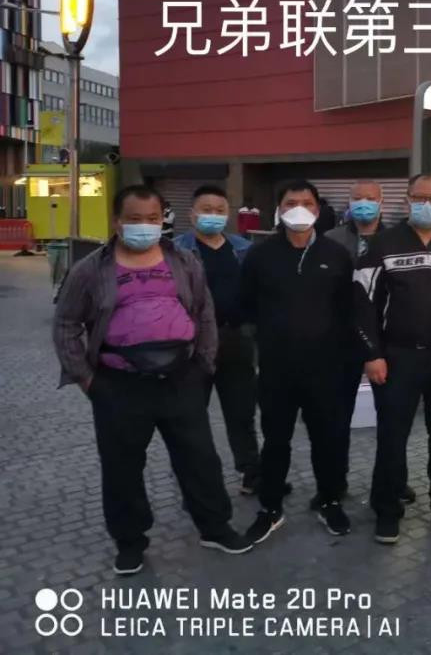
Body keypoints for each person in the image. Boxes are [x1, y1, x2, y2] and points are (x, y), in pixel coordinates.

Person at [52, 185, 251, 576]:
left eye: (152, 218)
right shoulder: (90, 269)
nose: (144, 226)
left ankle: (214, 526)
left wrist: (203, 363)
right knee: (122, 467)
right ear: (116, 221)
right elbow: (66, 324)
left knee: (200, 458)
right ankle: (130, 542)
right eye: (134, 219)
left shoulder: (185, 261)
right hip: (119, 384)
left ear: (163, 220)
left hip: (181, 379)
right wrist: (88, 380)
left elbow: (204, 312)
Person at [356, 174, 431, 545]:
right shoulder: (382, 244)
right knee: (392, 436)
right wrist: (372, 354)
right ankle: (387, 508)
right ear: (407, 200)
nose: (427, 204)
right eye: (420, 197)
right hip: (398, 356)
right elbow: (363, 304)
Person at [239, 180, 356, 543]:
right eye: (291, 202)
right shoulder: (260, 256)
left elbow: (348, 309)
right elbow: (247, 306)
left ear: (318, 210)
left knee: (327, 439)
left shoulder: (336, 254)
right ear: (279, 209)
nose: (299, 208)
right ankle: (270, 507)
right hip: (277, 369)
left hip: (326, 369)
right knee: (276, 440)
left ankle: (329, 500)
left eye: (307, 202)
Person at [325, 180, 414, 505]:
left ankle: (394, 482)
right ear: (348, 203)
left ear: (382, 201)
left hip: (385, 345)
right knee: (336, 419)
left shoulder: (398, 240)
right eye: (357, 198)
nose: (364, 203)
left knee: (392, 420)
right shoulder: (331, 240)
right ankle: (334, 484)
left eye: (370, 198)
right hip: (340, 345)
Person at [174, 185, 261, 496]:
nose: (213, 215)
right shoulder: (176, 251)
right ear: (192, 214)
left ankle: (252, 473)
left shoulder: (243, 248)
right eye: (206, 210)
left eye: (220, 210)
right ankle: (198, 484)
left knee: (242, 413)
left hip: (237, 340)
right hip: (194, 346)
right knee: (191, 417)